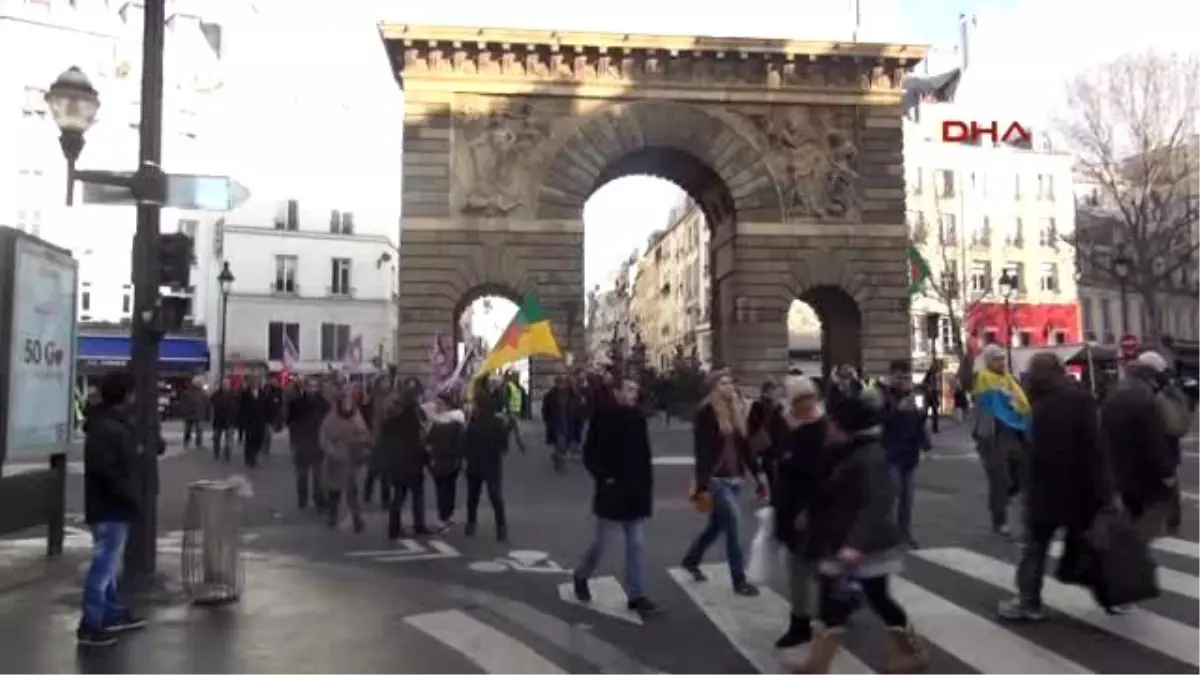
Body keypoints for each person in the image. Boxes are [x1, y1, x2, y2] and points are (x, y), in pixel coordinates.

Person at [791, 387, 927, 675]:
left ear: (846, 428)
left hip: (866, 545)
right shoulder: (840, 451)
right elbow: (827, 490)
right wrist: (809, 514)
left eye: (832, 422)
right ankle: (818, 664)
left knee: (876, 599)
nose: (826, 426)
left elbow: (877, 503)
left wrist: (854, 544)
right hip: (838, 538)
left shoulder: (870, 456)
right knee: (834, 601)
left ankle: (911, 654)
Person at [997, 352, 1112, 622]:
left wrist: (1021, 486)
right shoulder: (1082, 400)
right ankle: (1113, 593)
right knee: (1090, 545)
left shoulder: (1039, 406)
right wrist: (1104, 492)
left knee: (1034, 550)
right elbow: (1095, 449)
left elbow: (1035, 453)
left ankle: (1028, 603)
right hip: (1079, 490)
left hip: (1045, 492)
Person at [571, 375, 661, 617]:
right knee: (602, 544)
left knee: (637, 545)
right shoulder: (603, 417)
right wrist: (605, 478)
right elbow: (589, 454)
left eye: (636, 390)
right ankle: (581, 575)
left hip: (635, 493)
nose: (633, 394)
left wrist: (646, 489)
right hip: (611, 492)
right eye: (629, 389)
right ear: (617, 392)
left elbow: (644, 458)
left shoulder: (638, 418)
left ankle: (636, 595)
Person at [681, 369, 765, 597]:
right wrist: (702, 483)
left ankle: (691, 560)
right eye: (722, 383)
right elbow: (702, 450)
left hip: (735, 477)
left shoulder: (737, 408)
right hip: (716, 479)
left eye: (730, 383)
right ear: (713, 387)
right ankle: (739, 581)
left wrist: (759, 476)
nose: (728, 387)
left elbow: (745, 447)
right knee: (733, 528)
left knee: (716, 526)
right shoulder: (706, 412)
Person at [77, 371, 146, 647]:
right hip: (111, 506)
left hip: (109, 504)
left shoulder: (108, 423)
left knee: (107, 563)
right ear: (125, 395)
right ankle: (91, 623)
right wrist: (131, 496)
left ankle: (109, 612)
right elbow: (109, 471)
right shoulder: (109, 427)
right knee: (103, 565)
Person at [771, 375, 825, 649]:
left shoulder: (817, 431)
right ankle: (805, 621)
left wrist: (806, 510)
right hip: (791, 508)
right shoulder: (791, 427)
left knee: (805, 569)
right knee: (804, 569)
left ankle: (804, 623)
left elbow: (819, 477)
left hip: (807, 512)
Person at [1101, 351, 1178, 541]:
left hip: (1119, 472)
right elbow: (1154, 440)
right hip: (1144, 474)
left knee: (1129, 520)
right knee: (1146, 528)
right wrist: (1167, 472)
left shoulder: (1113, 397)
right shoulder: (1144, 399)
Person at [971, 344, 1030, 539]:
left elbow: (1020, 402)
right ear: (988, 362)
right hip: (993, 436)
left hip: (1014, 434)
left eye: (1003, 358)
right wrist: (967, 355)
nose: (1001, 362)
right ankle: (1000, 521)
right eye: (997, 358)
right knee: (999, 480)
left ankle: (1003, 500)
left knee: (1021, 476)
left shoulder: (1009, 380)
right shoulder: (981, 379)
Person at [877, 359, 932, 548]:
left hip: (910, 453)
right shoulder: (882, 394)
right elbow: (878, 421)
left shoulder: (911, 394)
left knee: (907, 499)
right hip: (890, 452)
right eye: (899, 377)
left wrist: (925, 445)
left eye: (907, 377)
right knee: (892, 496)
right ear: (891, 376)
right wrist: (897, 411)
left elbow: (918, 422)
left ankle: (904, 534)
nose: (903, 381)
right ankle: (888, 535)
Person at [379, 385, 431, 538]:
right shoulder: (413, 420)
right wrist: (426, 458)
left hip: (396, 464)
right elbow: (418, 443)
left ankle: (393, 528)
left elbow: (385, 442)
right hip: (412, 464)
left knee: (399, 496)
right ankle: (419, 525)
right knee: (417, 495)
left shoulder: (391, 419)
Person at [463, 381, 510, 541]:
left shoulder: (473, 422)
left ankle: (471, 524)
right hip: (491, 464)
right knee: (494, 496)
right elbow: (504, 445)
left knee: (473, 496)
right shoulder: (496, 422)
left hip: (476, 464)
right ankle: (501, 527)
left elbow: (465, 442)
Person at [319, 391, 371, 532]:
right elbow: (324, 437)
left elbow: (364, 433)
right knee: (334, 490)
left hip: (350, 458)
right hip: (335, 460)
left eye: (349, 402)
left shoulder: (356, 416)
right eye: (345, 401)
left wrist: (360, 441)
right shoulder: (331, 418)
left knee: (351, 491)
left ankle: (357, 518)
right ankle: (332, 514)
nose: (347, 405)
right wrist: (332, 450)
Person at [426, 392, 467, 530]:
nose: (437, 406)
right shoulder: (436, 421)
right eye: (436, 403)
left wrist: (458, 457)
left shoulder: (454, 422)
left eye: (440, 404)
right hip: (438, 460)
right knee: (443, 489)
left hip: (449, 460)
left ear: (448, 405)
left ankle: (445, 516)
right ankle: (444, 516)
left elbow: (460, 442)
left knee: (447, 489)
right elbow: (429, 440)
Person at [287, 379, 328, 511]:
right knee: (302, 475)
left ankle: (318, 500)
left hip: (317, 443)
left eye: (314, 386)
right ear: (303, 387)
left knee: (318, 476)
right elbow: (290, 422)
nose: (311, 389)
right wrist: (294, 441)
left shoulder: (323, 403)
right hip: (302, 443)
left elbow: (327, 423)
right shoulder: (296, 403)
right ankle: (302, 499)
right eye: (308, 386)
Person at [209, 378, 238, 462]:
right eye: (224, 384)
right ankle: (216, 452)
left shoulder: (234, 394)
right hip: (219, 420)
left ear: (229, 385)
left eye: (227, 384)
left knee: (229, 439)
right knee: (216, 438)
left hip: (230, 420)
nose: (225, 386)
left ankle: (227, 453)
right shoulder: (216, 394)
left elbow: (237, 406)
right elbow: (211, 404)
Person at [177, 378, 209, 450]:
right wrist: (184, 412)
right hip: (190, 414)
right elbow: (183, 403)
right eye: (198, 383)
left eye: (200, 383)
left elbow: (207, 404)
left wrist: (207, 414)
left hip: (199, 414)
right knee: (189, 430)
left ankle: (198, 443)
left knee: (199, 430)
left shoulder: (203, 393)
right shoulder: (188, 392)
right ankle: (187, 442)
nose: (199, 384)